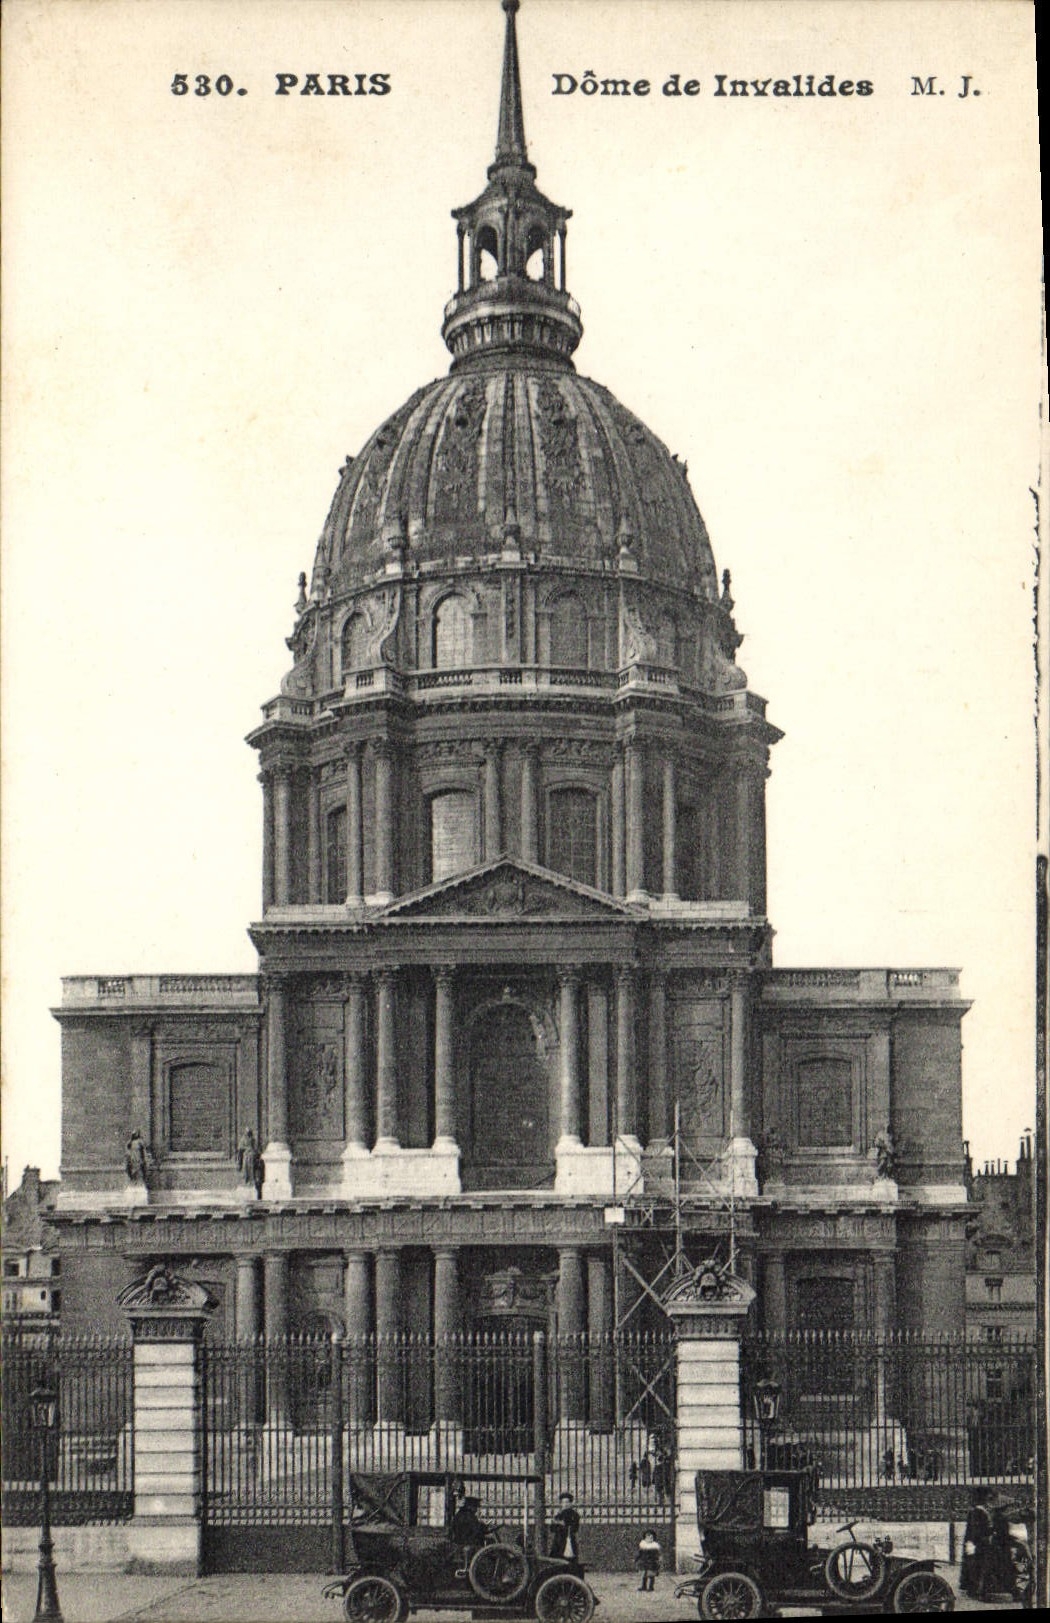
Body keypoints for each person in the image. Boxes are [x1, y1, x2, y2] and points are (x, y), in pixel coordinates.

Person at [960, 1488, 996, 1600]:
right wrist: (990, 1532)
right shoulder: (979, 1512)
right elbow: (978, 1530)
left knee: (973, 1567)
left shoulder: (975, 1511)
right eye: (986, 1497)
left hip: (973, 1542)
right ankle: (979, 1592)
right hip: (978, 1543)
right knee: (979, 1567)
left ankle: (973, 1590)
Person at [548, 1492, 581, 1560]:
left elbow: (575, 1528)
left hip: (568, 1540)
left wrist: (562, 1524)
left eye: (567, 1502)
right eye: (563, 1502)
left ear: (571, 1503)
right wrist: (559, 1524)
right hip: (558, 1541)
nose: (565, 1504)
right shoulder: (559, 1515)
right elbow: (552, 1528)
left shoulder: (574, 1515)